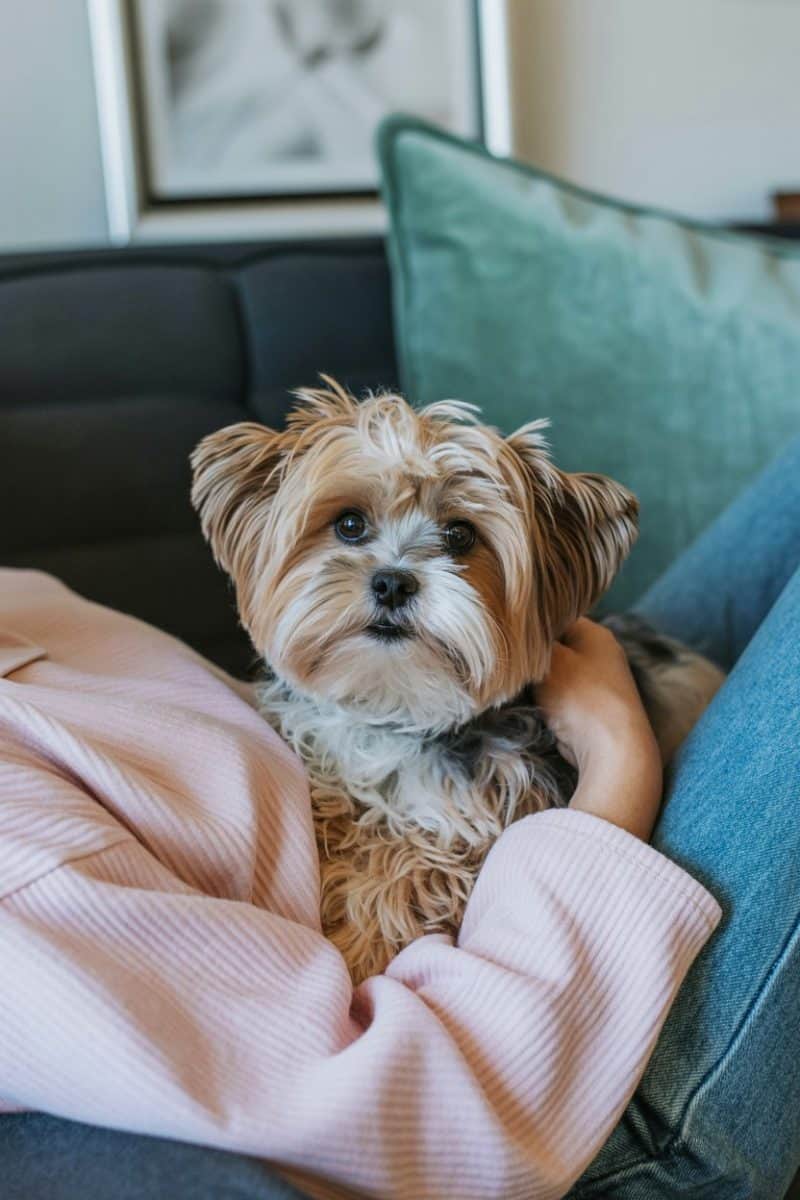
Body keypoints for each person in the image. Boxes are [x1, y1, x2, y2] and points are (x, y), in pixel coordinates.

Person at [1, 434, 799, 1200]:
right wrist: (619, 755)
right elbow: (418, 1114)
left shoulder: (22, 602)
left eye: (456, 537)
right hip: (574, 1073)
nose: (391, 572)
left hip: (458, 714)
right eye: (351, 525)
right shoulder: (22, 872)